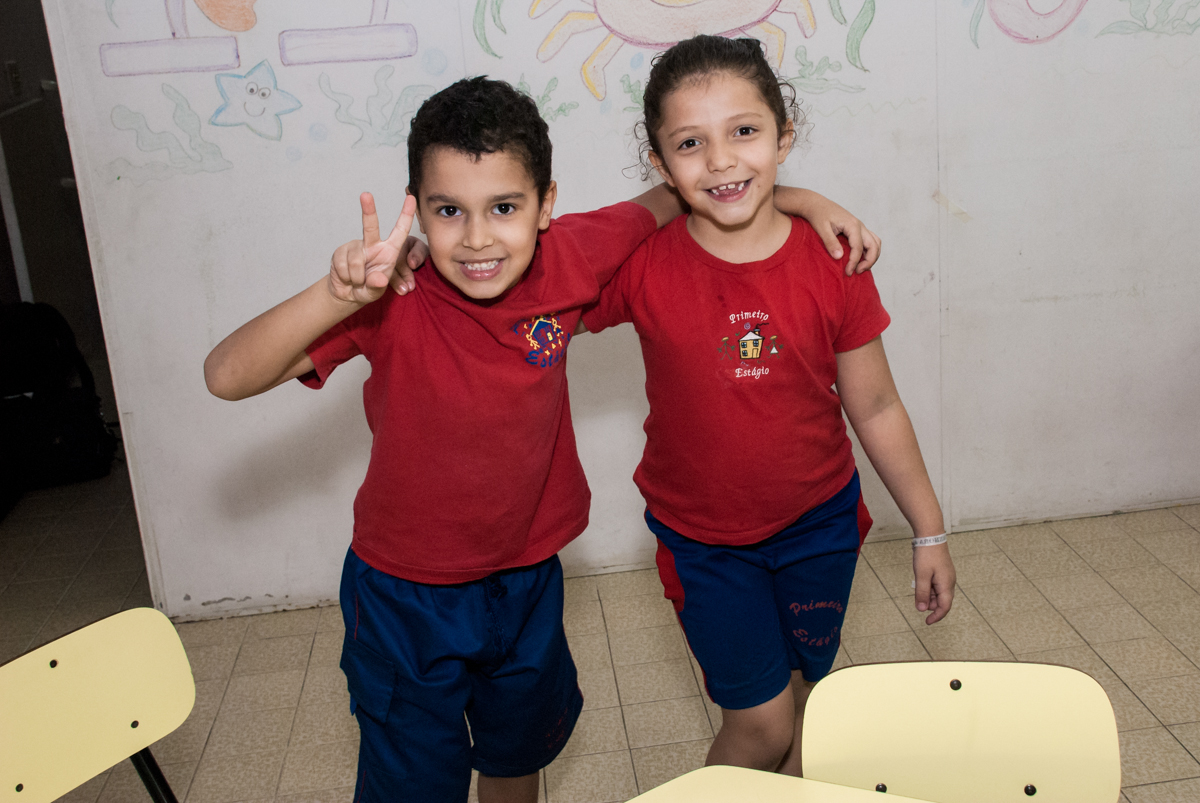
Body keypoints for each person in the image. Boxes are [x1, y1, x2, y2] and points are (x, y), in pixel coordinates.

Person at [203, 76, 878, 802]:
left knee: (515, 759)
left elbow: (683, 194)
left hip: (527, 580)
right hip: (406, 596)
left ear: (545, 205)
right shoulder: (389, 297)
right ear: (418, 211)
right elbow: (226, 375)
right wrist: (335, 295)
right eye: (448, 211)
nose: (477, 237)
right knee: (413, 784)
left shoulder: (574, 255)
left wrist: (806, 200)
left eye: (503, 207)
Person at [579, 35, 957, 776]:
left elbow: (875, 405)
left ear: (785, 137)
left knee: (802, 705)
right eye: (690, 143)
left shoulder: (832, 259)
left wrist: (929, 530)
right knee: (758, 722)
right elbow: (552, 272)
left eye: (744, 132)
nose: (720, 160)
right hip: (705, 541)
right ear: (659, 162)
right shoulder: (644, 264)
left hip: (820, 525)